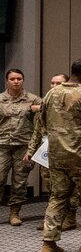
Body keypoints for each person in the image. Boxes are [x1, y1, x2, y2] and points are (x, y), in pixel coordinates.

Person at [26, 58, 81, 252]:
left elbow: (42, 122)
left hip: (56, 156)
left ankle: (48, 243)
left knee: (57, 198)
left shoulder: (51, 94)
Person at [0, 68, 41, 226]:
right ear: (7, 81)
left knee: (19, 181)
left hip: (23, 145)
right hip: (2, 144)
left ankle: (14, 213)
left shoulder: (32, 99)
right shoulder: (1, 99)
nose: (16, 82)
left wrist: (37, 109)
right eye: (12, 79)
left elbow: (49, 110)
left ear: (23, 80)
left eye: (19, 79)